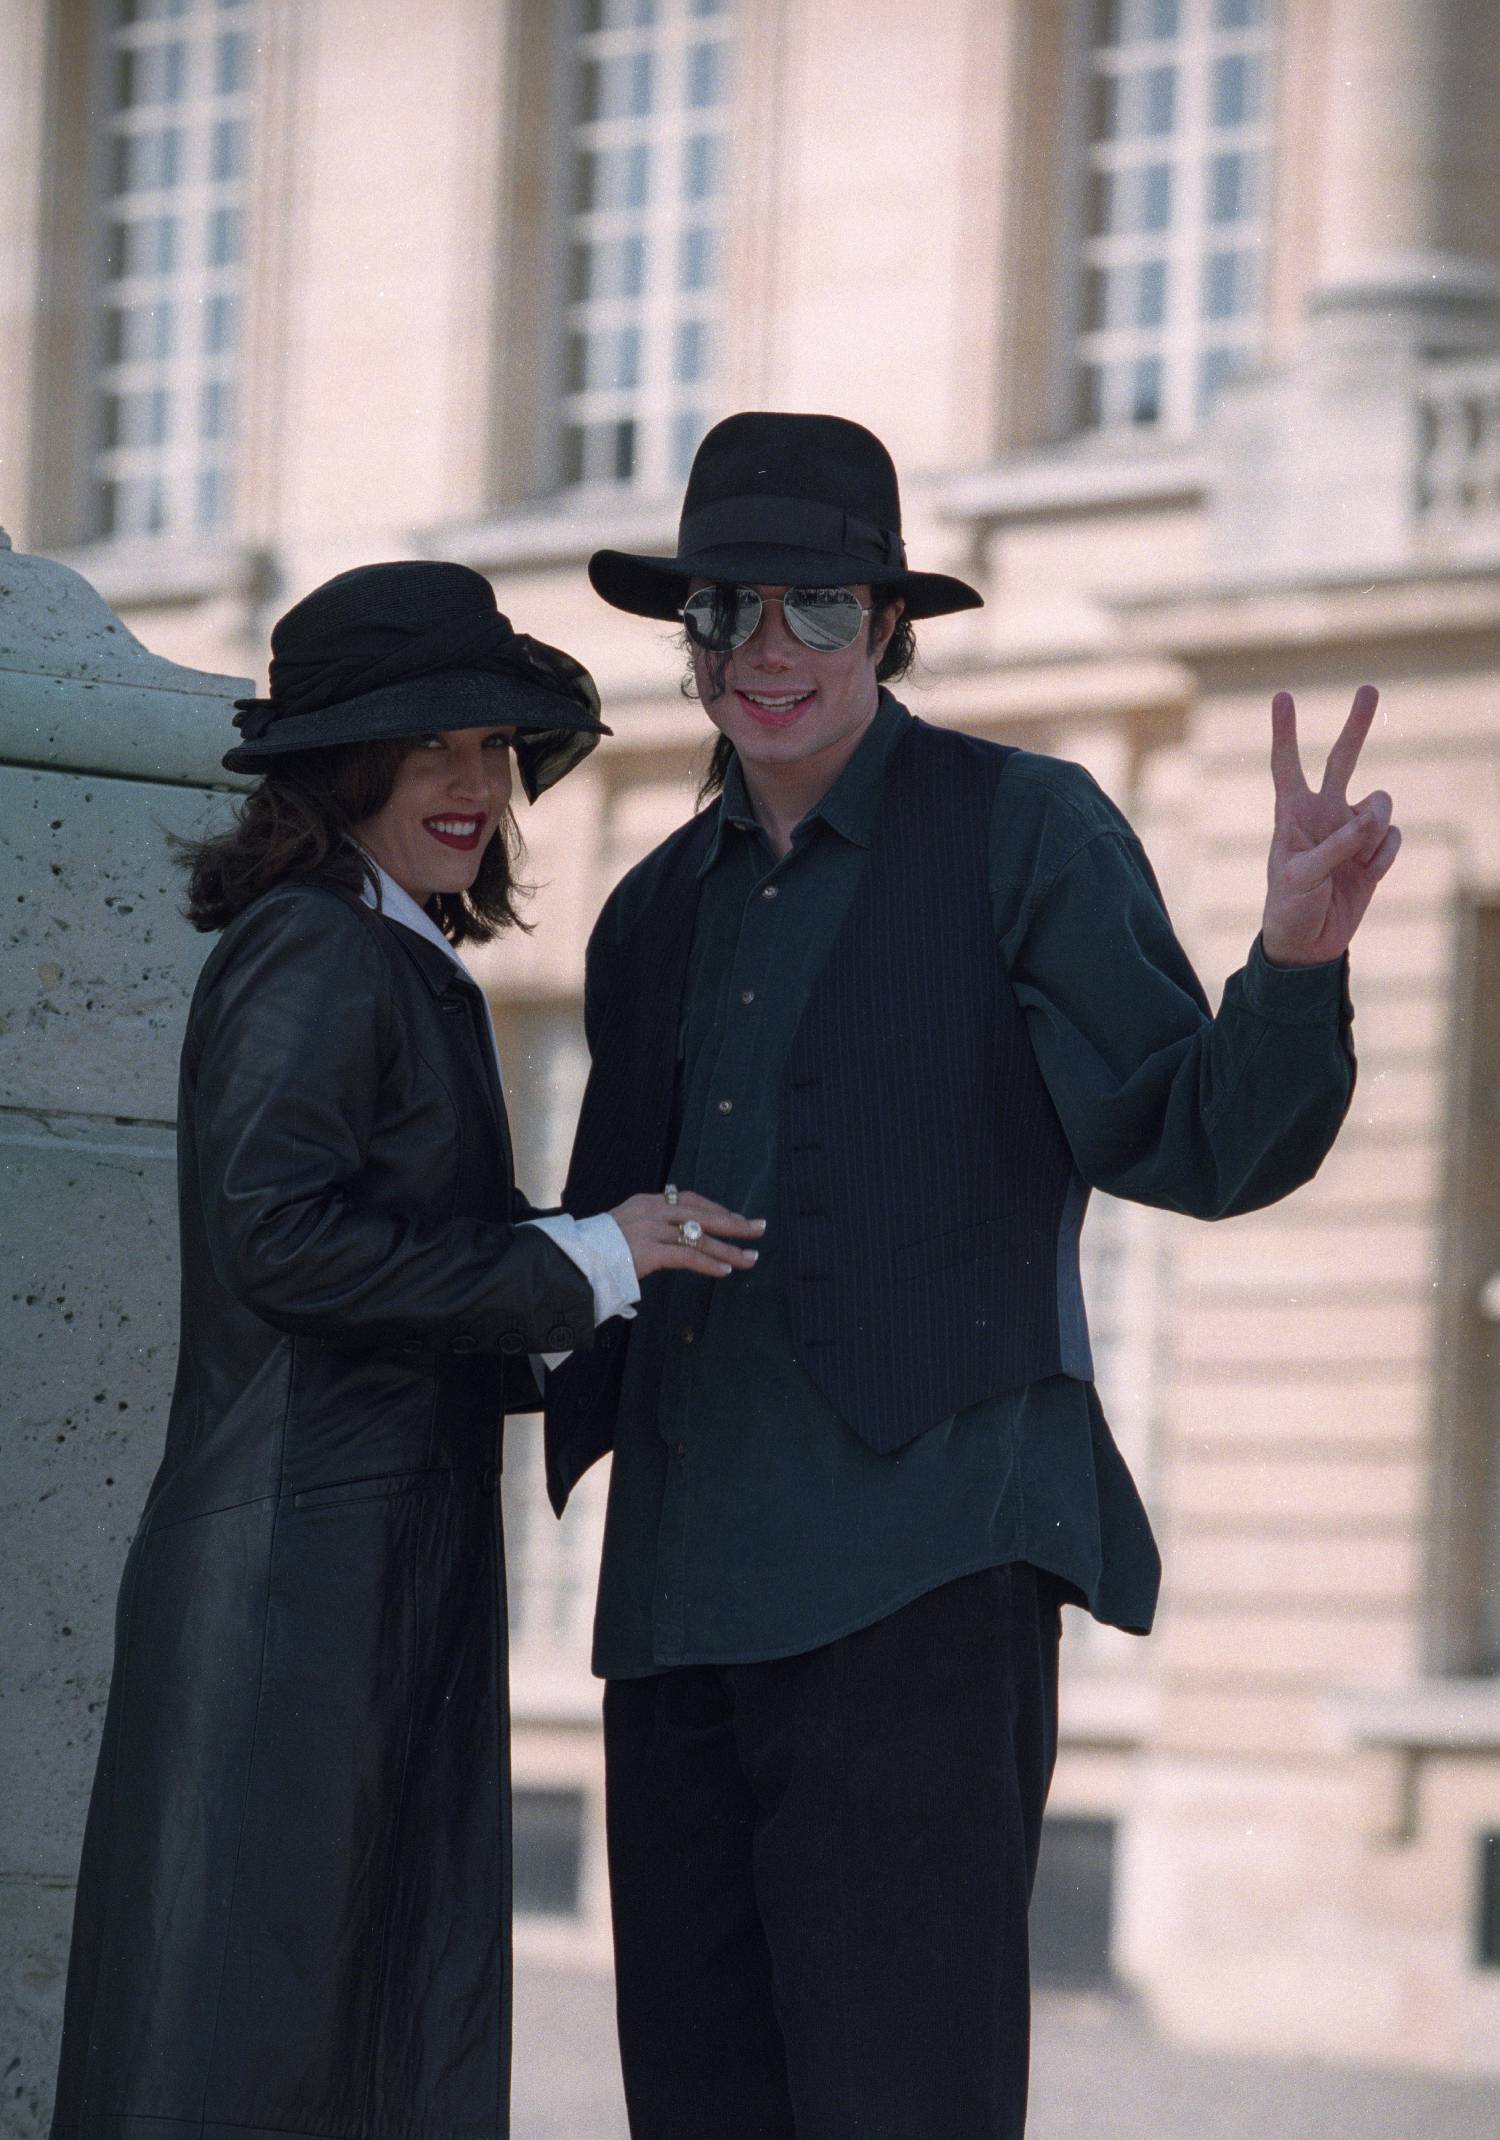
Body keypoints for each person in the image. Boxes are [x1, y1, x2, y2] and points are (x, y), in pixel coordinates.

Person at [544, 413, 1401, 2140]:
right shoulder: (645, 912)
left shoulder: (1029, 831)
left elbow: (1193, 1140)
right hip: (677, 1602)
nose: (762, 653)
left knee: (901, 2105)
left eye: (810, 609)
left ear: (883, 623)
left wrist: (1294, 966)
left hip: (922, 1581)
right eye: (724, 614)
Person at [49, 560, 762, 2140]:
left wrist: (603, 1265)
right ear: (341, 764)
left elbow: (370, 1246)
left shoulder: (391, 951)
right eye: (429, 745)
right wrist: (586, 1254)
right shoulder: (317, 948)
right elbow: (281, 1239)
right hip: (296, 1601)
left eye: (492, 746)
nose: (473, 782)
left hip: (362, 1578)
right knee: (257, 2055)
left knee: (359, 2043)